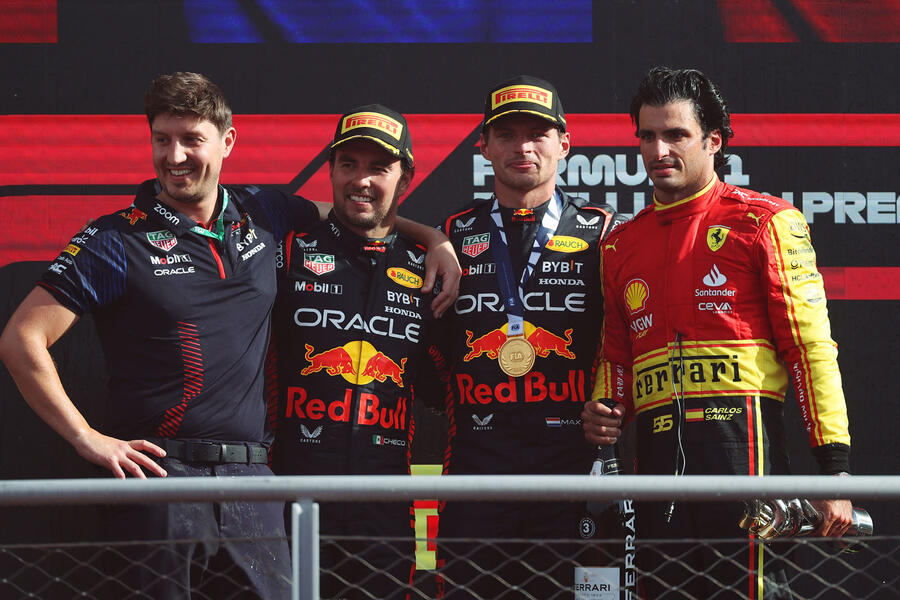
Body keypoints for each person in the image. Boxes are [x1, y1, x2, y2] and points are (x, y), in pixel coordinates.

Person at [0, 72, 459, 599]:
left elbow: (357, 216)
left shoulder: (265, 212)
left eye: (192, 139)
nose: (175, 156)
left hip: (256, 480)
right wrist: (88, 439)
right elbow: (21, 339)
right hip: (162, 477)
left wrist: (435, 238)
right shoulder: (113, 239)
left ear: (227, 142)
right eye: (162, 139)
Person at [583, 66, 853, 599]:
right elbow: (617, 352)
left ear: (713, 141)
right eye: (647, 136)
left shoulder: (767, 221)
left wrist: (834, 471)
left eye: (676, 134)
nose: (658, 149)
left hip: (745, 450)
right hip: (656, 461)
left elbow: (809, 349)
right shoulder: (619, 246)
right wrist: (603, 406)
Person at [433, 75, 626, 599]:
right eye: (507, 134)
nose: (523, 146)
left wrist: (614, 404)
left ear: (565, 144)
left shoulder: (603, 231)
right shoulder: (451, 235)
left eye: (538, 133)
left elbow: (635, 337)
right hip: (478, 470)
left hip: (572, 471)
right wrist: (426, 237)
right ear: (485, 146)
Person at [270, 104, 441, 599]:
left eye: (378, 168)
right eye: (348, 164)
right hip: (289, 490)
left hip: (384, 496)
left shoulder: (428, 269)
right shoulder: (286, 252)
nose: (360, 180)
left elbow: (443, 384)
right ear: (330, 170)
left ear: (405, 178)